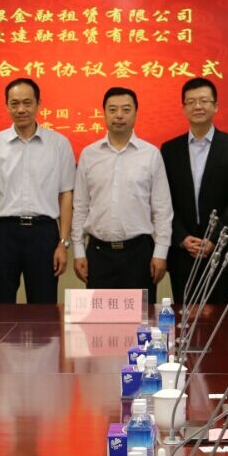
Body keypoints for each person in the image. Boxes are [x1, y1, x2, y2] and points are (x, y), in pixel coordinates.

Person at [0, 78, 75, 304]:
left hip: (43, 234)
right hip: (2, 233)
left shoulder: (59, 144)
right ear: (7, 106)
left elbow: (66, 195)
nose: (21, 109)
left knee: (43, 308)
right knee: (0, 308)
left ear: (39, 104)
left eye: (27, 103)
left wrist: (63, 243)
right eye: (15, 103)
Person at [71, 87, 172, 300]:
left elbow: (162, 209)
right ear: (104, 113)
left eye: (126, 109)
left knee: (140, 318)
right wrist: (79, 251)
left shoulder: (151, 154)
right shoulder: (89, 154)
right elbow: (80, 207)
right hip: (98, 254)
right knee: (100, 319)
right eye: (112, 109)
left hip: (139, 254)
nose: (119, 115)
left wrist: (161, 253)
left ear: (135, 113)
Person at [160, 77, 228, 306]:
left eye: (204, 101)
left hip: (220, 251)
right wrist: (181, 238)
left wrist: (214, 238)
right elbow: (164, 201)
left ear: (216, 106)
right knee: (184, 315)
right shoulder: (169, 150)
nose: (197, 106)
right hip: (183, 251)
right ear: (183, 108)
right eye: (191, 102)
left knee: (220, 318)